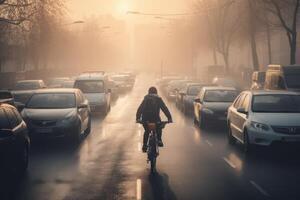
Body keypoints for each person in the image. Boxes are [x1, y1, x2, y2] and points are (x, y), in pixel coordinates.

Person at [136, 86, 172, 152]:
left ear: (148, 92)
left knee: (147, 131)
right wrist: (169, 118)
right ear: (156, 92)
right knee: (159, 128)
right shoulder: (158, 99)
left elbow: (140, 109)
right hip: (156, 118)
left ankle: (144, 145)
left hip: (145, 118)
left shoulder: (146, 99)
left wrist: (138, 118)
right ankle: (159, 140)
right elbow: (164, 108)